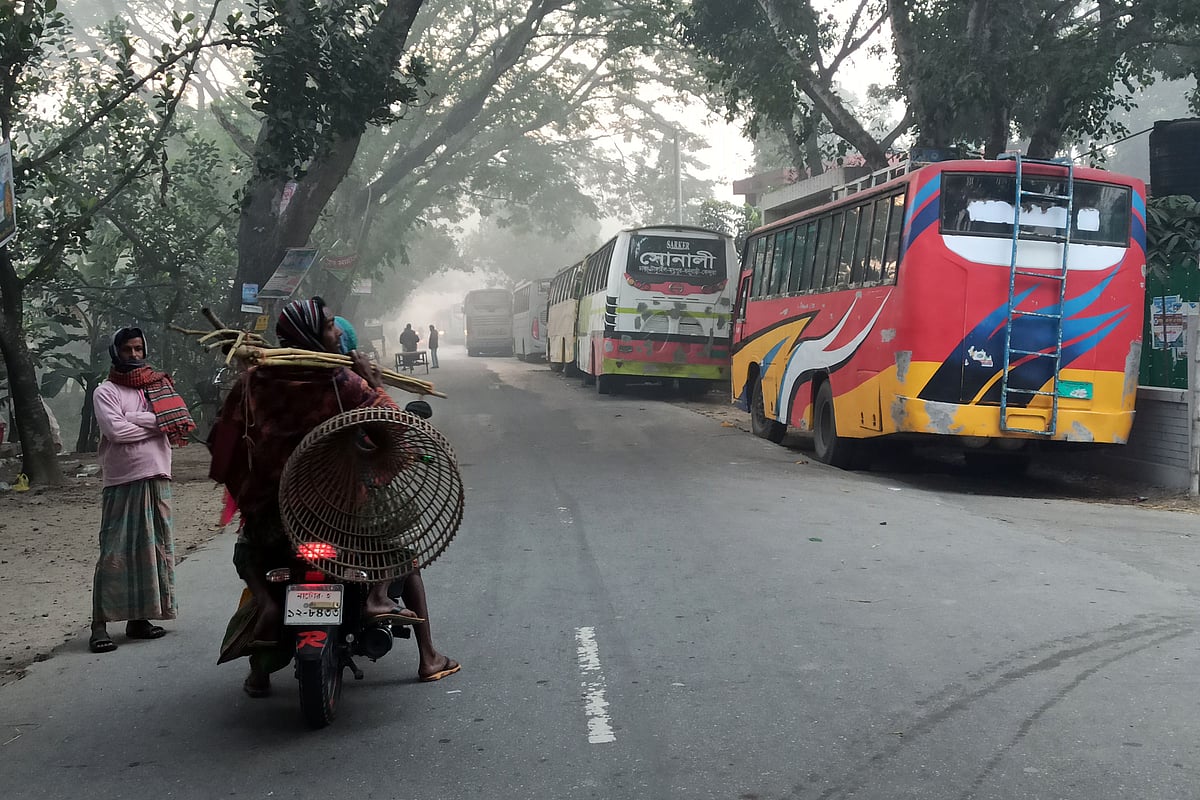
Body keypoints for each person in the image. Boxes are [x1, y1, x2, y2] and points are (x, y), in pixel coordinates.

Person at [212, 297, 459, 696]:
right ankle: (416, 643)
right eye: (328, 327)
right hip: (341, 514)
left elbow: (226, 440)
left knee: (248, 554)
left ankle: (263, 648)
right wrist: (372, 383)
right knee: (400, 551)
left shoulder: (253, 383)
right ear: (312, 335)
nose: (335, 333)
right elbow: (394, 432)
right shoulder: (343, 384)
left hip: (275, 515)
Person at [88, 327, 196, 653]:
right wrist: (154, 420)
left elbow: (175, 419)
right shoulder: (104, 391)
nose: (133, 355)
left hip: (158, 475)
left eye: (138, 349)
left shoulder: (158, 385)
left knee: (153, 551)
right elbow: (116, 431)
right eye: (127, 350)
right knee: (114, 553)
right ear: (115, 353)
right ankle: (99, 625)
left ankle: (140, 620)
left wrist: (138, 418)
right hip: (121, 479)